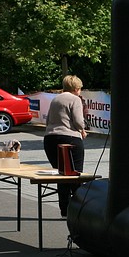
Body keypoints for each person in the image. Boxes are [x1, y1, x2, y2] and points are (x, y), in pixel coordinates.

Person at [43, 75, 87, 218]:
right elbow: (78, 121)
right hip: (70, 138)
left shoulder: (55, 99)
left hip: (50, 138)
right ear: (76, 88)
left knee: (61, 175)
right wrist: (82, 129)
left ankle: (64, 210)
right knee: (75, 175)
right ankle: (79, 211)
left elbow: (48, 121)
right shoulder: (75, 99)